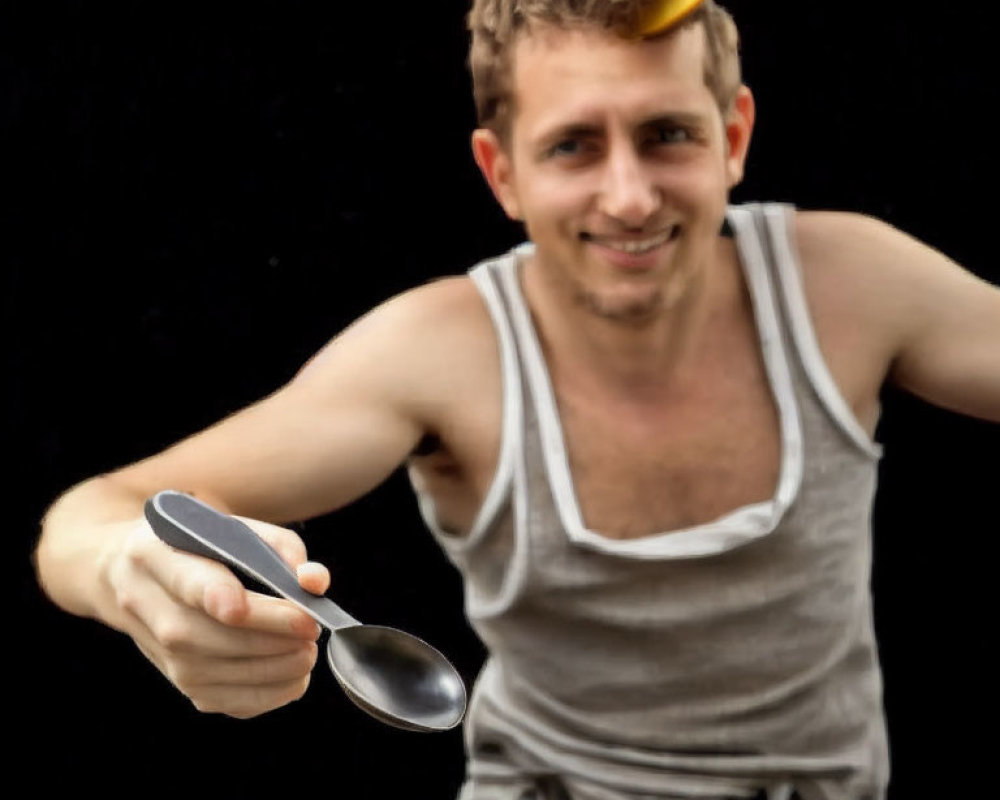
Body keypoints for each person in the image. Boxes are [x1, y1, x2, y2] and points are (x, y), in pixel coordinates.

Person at [32, 1, 1000, 798]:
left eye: (667, 134)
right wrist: (131, 572)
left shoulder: (853, 285)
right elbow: (85, 517)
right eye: (574, 145)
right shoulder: (446, 349)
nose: (627, 195)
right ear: (502, 173)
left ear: (733, 136)